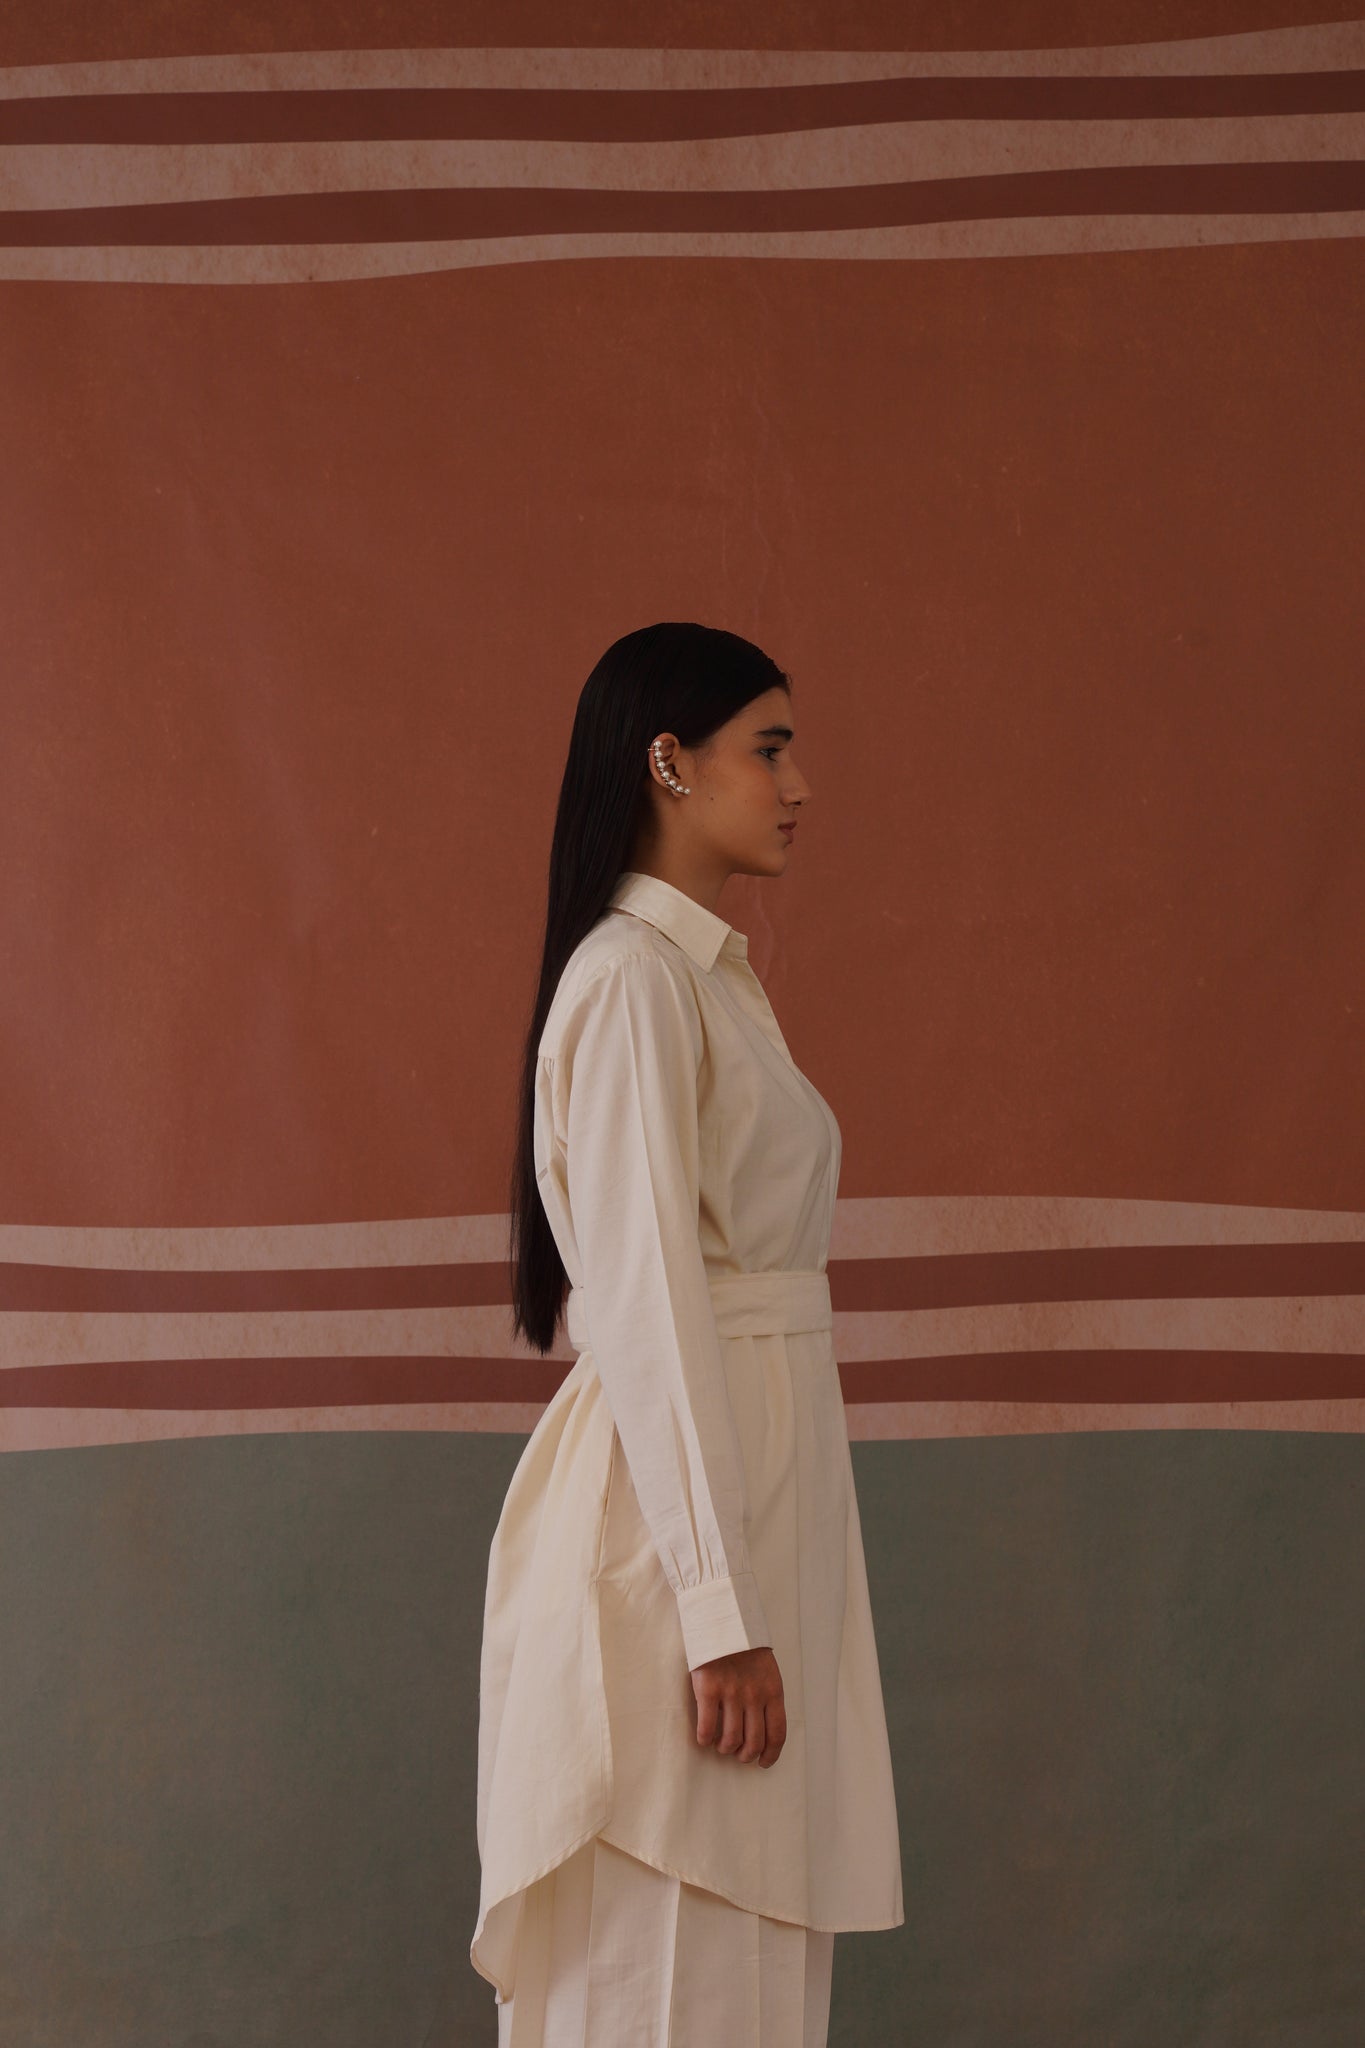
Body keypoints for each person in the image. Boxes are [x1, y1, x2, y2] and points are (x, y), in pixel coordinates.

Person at [471, 622, 903, 2044]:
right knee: (665, 1963)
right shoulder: (631, 981)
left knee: (742, 1968)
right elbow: (649, 1308)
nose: (799, 785)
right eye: (769, 748)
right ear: (669, 761)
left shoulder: (706, 979)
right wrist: (716, 1613)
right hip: (675, 1551)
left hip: (755, 1500)